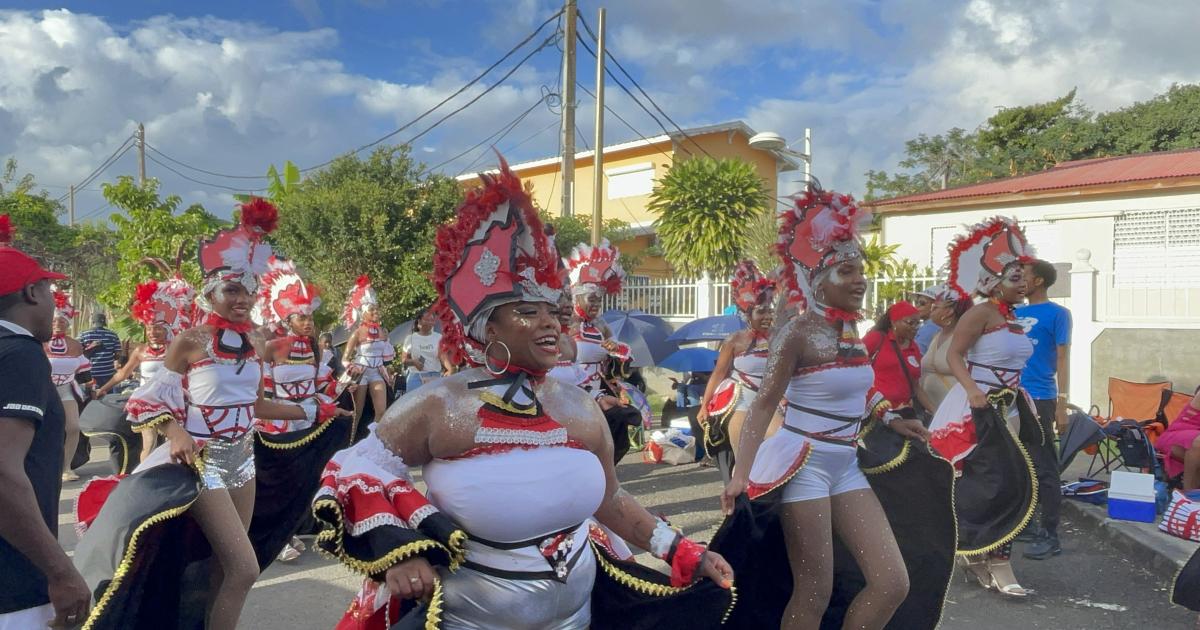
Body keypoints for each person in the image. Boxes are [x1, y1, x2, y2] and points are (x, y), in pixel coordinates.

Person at [313, 160, 734, 629]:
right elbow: (356, 468)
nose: (550, 323)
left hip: (579, 612)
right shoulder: (441, 403)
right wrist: (397, 555)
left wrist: (680, 550)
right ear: (486, 325)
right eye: (529, 311)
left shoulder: (577, 404)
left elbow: (611, 498)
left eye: (554, 312)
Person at [74, 199, 348, 629]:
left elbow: (256, 405)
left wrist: (314, 408)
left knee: (226, 568)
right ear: (211, 294)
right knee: (245, 568)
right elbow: (146, 401)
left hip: (244, 459)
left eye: (247, 290)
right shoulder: (191, 340)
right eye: (231, 291)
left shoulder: (257, 342)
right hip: (202, 463)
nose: (242, 299)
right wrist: (176, 431)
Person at [718, 188, 955, 630]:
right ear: (818, 281)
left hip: (845, 463)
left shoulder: (850, 333)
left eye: (861, 270)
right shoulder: (798, 333)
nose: (861, 280)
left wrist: (892, 419)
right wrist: (739, 475)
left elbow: (860, 391)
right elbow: (763, 404)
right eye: (847, 271)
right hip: (803, 462)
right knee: (814, 591)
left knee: (890, 582)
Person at [928, 216, 1040, 598]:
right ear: (993, 281)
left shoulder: (1011, 318)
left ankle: (994, 557)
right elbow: (955, 356)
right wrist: (974, 390)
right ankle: (985, 556)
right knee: (987, 484)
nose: (1024, 282)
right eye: (1015, 276)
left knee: (1011, 482)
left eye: (1023, 275)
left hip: (1009, 407)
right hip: (975, 409)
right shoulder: (980, 313)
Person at [0, 215, 91, 630]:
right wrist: (60, 571)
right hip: (14, 585)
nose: (56, 303)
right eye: (51, 290)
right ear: (33, 292)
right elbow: (2, 472)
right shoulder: (18, 354)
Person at [95, 264, 197, 464]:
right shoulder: (140, 351)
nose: (153, 332)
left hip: (174, 401)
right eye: (149, 329)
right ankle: (145, 477)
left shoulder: (176, 349)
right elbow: (122, 374)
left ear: (166, 329)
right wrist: (103, 389)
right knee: (148, 444)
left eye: (157, 328)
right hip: (148, 402)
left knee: (173, 444)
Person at [698, 259, 780, 483]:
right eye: (761, 312)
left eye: (769, 311)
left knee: (778, 447)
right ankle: (740, 504)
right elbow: (718, 373)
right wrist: (704, 405)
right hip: (742, 400)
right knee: (744, 459)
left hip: (772, 401)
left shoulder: (780, 339)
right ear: (748, 313)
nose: (767, 317)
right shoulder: (735, 341)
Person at [564, 239, 643, 463]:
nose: (596, 304)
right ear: (577, 296)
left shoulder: (601, 326)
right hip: (572, 394)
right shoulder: (565, 325)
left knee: (616, 432)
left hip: (600, 392)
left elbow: (622, 359)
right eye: (592, 299)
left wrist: (616, 350)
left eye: (599, 299)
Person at [1015, 259, 1070, 560]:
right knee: (1019, 463)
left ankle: (1051, 534)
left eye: (1024, 275)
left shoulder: (1058, 314)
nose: (1019, 279)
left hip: (1040, 397)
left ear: (1038, 281)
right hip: (1009, 396)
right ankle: (1026, 524)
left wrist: (1062, 403)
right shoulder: (1011, 312)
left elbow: (1062, 359)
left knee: (1044, 464)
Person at [44, 289, 91, 482]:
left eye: (62, 321)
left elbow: (84, 373)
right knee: (44, 429)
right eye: (54, 321)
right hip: (45, 391)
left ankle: (66, 467)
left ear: (67, 324)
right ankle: (43, 466)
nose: (57, 324)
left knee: (72, 428)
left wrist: (93, 389)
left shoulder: (75, 345)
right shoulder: (40, 343)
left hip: (67, 390)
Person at [341, 275, 394, 427]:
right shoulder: (357, 333)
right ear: (363, 312)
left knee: (382, 412)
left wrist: (389, 370)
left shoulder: (383, 332)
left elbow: (387, 358)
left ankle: (374, 444)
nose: (376, 312)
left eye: (377, 309)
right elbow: (344, 359)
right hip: (361, 374)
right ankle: (350, 443)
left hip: (377, 372)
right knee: (357, 413)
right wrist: (353, 368)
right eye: (372, 309)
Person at [920, 286, 973, 409]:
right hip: (934, 412)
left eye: (935, 307)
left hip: (958, 411)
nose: (931, 311)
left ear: (949, 312)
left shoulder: (964, 338)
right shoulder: (937, 335)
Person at [401, 308, 446, 392]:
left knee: (433, 403)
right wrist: (413, 362)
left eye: (432, 320)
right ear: (420, 321)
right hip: (415, 377)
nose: (430, 322)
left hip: (434, 376)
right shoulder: (410, 338)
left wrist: (450, 369)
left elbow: (442, 356)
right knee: (414, 404)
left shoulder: (438, 337)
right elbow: (404, 360)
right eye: (427, 320)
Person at [78, 311, 122, 389]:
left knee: (90, 397)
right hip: (108, 372)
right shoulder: (113, 335)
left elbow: (77, 353)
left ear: (93, 322)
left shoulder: (84, 334)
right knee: (107, 397)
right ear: (104, 322)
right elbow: (118, 354)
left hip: (89, 373)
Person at [911, 287, 940, 354]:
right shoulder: (931, 325)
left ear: (934, 307)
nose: (917, 306)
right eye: (917, 302)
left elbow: (915, 355)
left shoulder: (930, 328)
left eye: (922, 303)